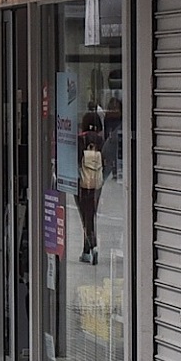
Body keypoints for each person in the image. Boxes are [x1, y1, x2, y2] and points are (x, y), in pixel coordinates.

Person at [76, 111, 105, 264]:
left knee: (85, 216)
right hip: (96, 183)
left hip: (81, 182)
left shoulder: (80, 139)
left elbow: (75, 160)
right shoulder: (100, 140)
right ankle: (86, 249)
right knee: (90, 214)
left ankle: (92, 247)